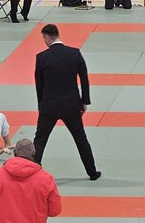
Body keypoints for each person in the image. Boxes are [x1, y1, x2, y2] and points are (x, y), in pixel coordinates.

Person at [33, 24, 99, 180]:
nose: (44, 41)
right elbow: (84, 80)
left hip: (48, 105)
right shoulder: (74, 54)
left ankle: (32, 172)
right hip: (71, 105)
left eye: (43, 38)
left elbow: (39, 84)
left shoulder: (41, 57)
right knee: (80, 138)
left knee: (40, 139)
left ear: (48, 36)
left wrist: (41, 105)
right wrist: (84, 101)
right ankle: (92, 172)